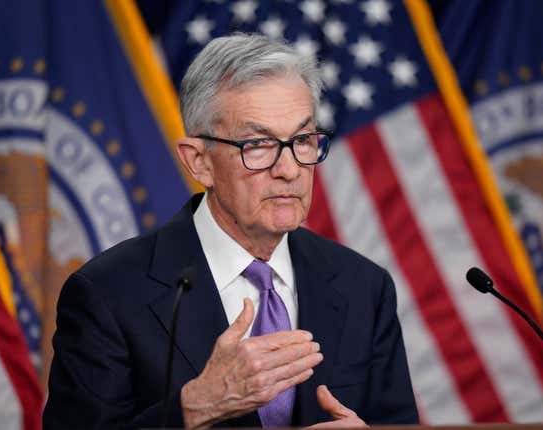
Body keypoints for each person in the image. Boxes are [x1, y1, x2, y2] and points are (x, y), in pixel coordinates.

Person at [43, 33, 418, 429]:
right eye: (258, 144)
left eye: (303, 140)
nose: (289, 169)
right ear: (199, 162)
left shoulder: (364, 286)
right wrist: (193, 407)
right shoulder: (108, 294)